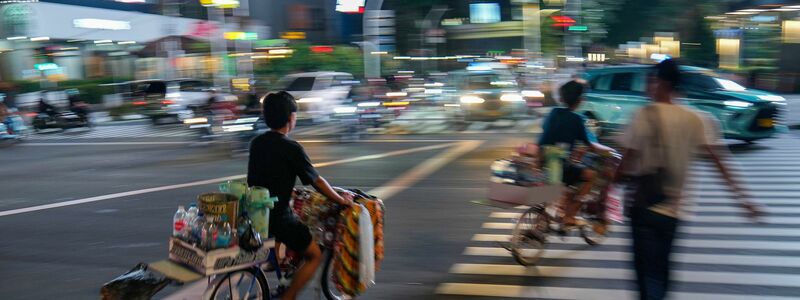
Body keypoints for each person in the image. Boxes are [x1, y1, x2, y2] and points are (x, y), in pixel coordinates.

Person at [614, 59, 762, 300]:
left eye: (650, 81)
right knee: (661, 272)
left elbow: (624, 164)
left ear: (660, 83)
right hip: (673, 211)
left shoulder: (642, 115)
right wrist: (744, 200)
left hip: (642, 207)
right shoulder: (697, 119)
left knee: (645, 275)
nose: (646, 88)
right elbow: (720, 163)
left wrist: (608, 187)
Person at [247, 91, 353, 300]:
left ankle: (275, 267)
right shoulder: (292, 148)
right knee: (314, 255)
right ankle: (289, 296)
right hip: (279, 218)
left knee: (288, 235)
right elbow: (317, 181)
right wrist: (341, 200)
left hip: (255, 214)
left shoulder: (257, 143)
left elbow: (258, 178)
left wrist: (286, 188)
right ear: (290, 118)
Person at [538, 80, 612, 227]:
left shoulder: (553, 113)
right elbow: (589, 145)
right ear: (579, 100)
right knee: (590, 176)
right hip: (559, 167)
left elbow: (545, 136)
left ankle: (545, 221)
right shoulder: (576, 119)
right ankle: (570, 216)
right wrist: (608, 151)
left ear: (562, 98)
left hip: (545, 161)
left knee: (568, 177)